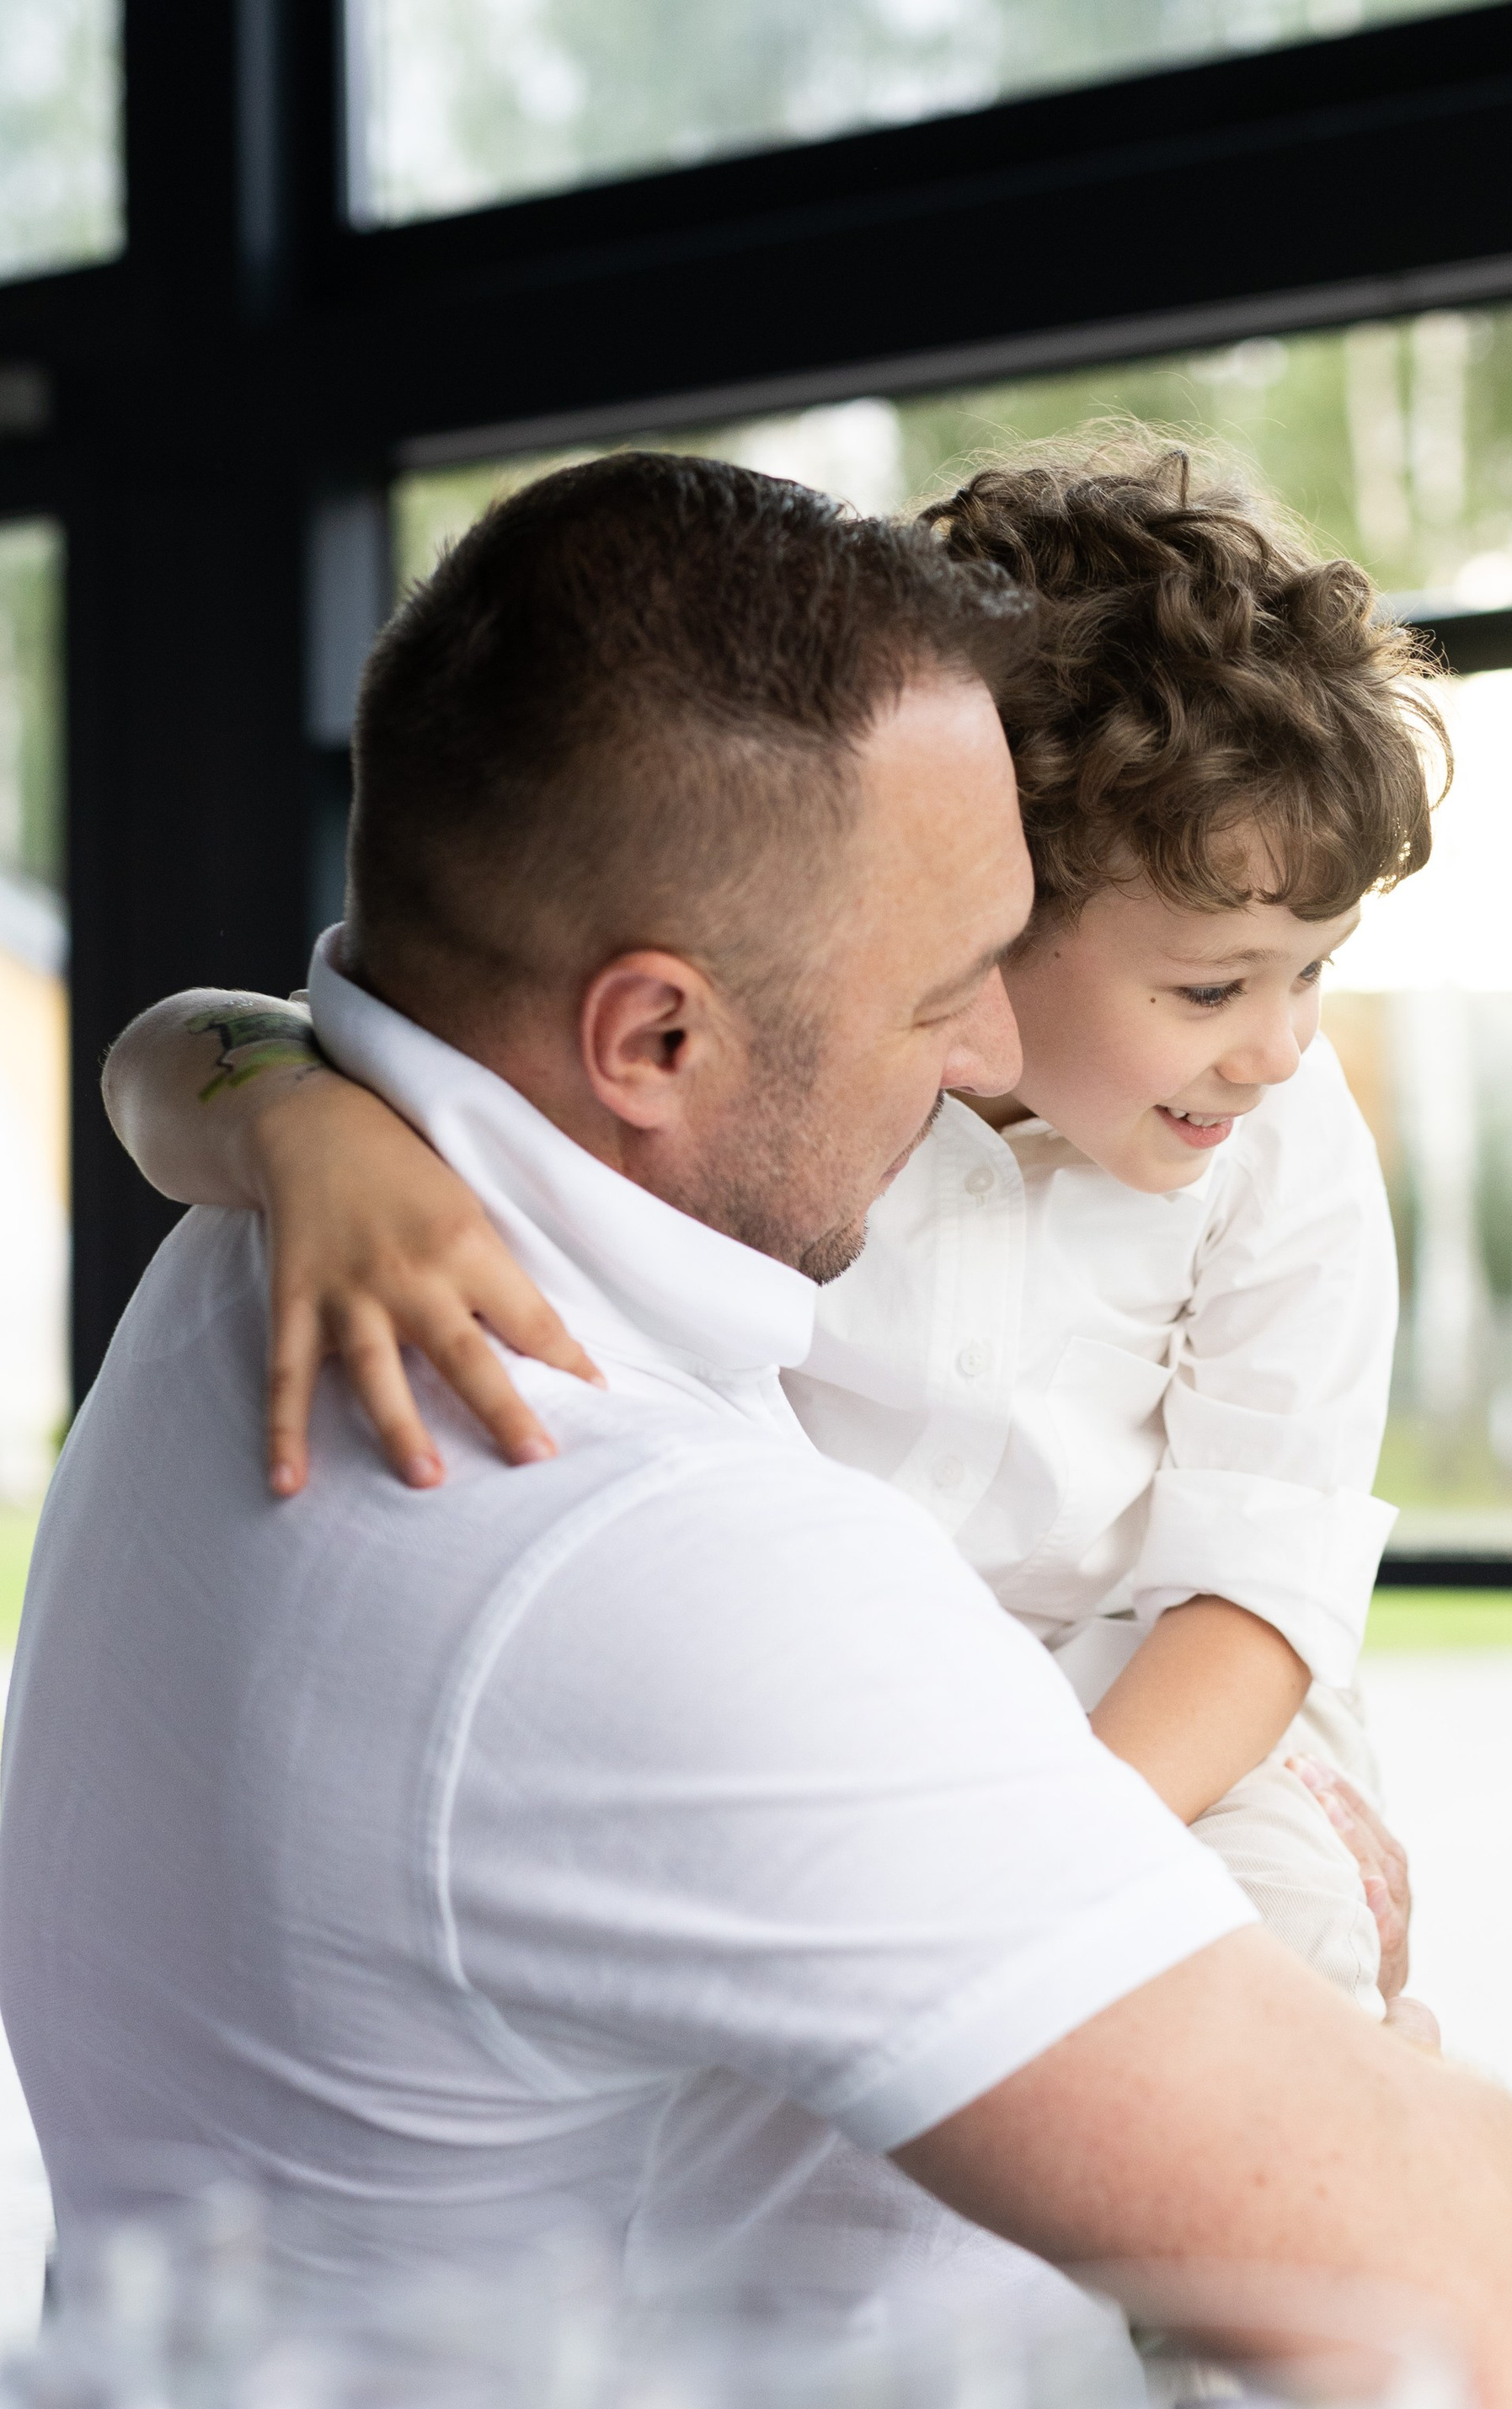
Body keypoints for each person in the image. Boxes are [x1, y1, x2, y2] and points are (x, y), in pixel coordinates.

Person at [0, 452, 1512, 2409]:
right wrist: (1397, 2097)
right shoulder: (647, 1543)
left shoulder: (266, 1253)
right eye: (937, 994)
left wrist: (270, 1107)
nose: (980, 1057)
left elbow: (215, 1044)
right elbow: (1452, 2303)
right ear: (653, 1038)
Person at [103, 442, 1441, 2022]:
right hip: (848, 1726)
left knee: (1258, 1980)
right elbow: (182, 1041)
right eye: (1211, 986)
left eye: (1314, 973)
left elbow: (1256, 1583)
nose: (1278, 1046)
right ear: (988, 901)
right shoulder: (796, 1094)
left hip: (1169, 1740)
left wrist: (1050, 1861)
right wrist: (299, 1122)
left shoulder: (1282, 1145)